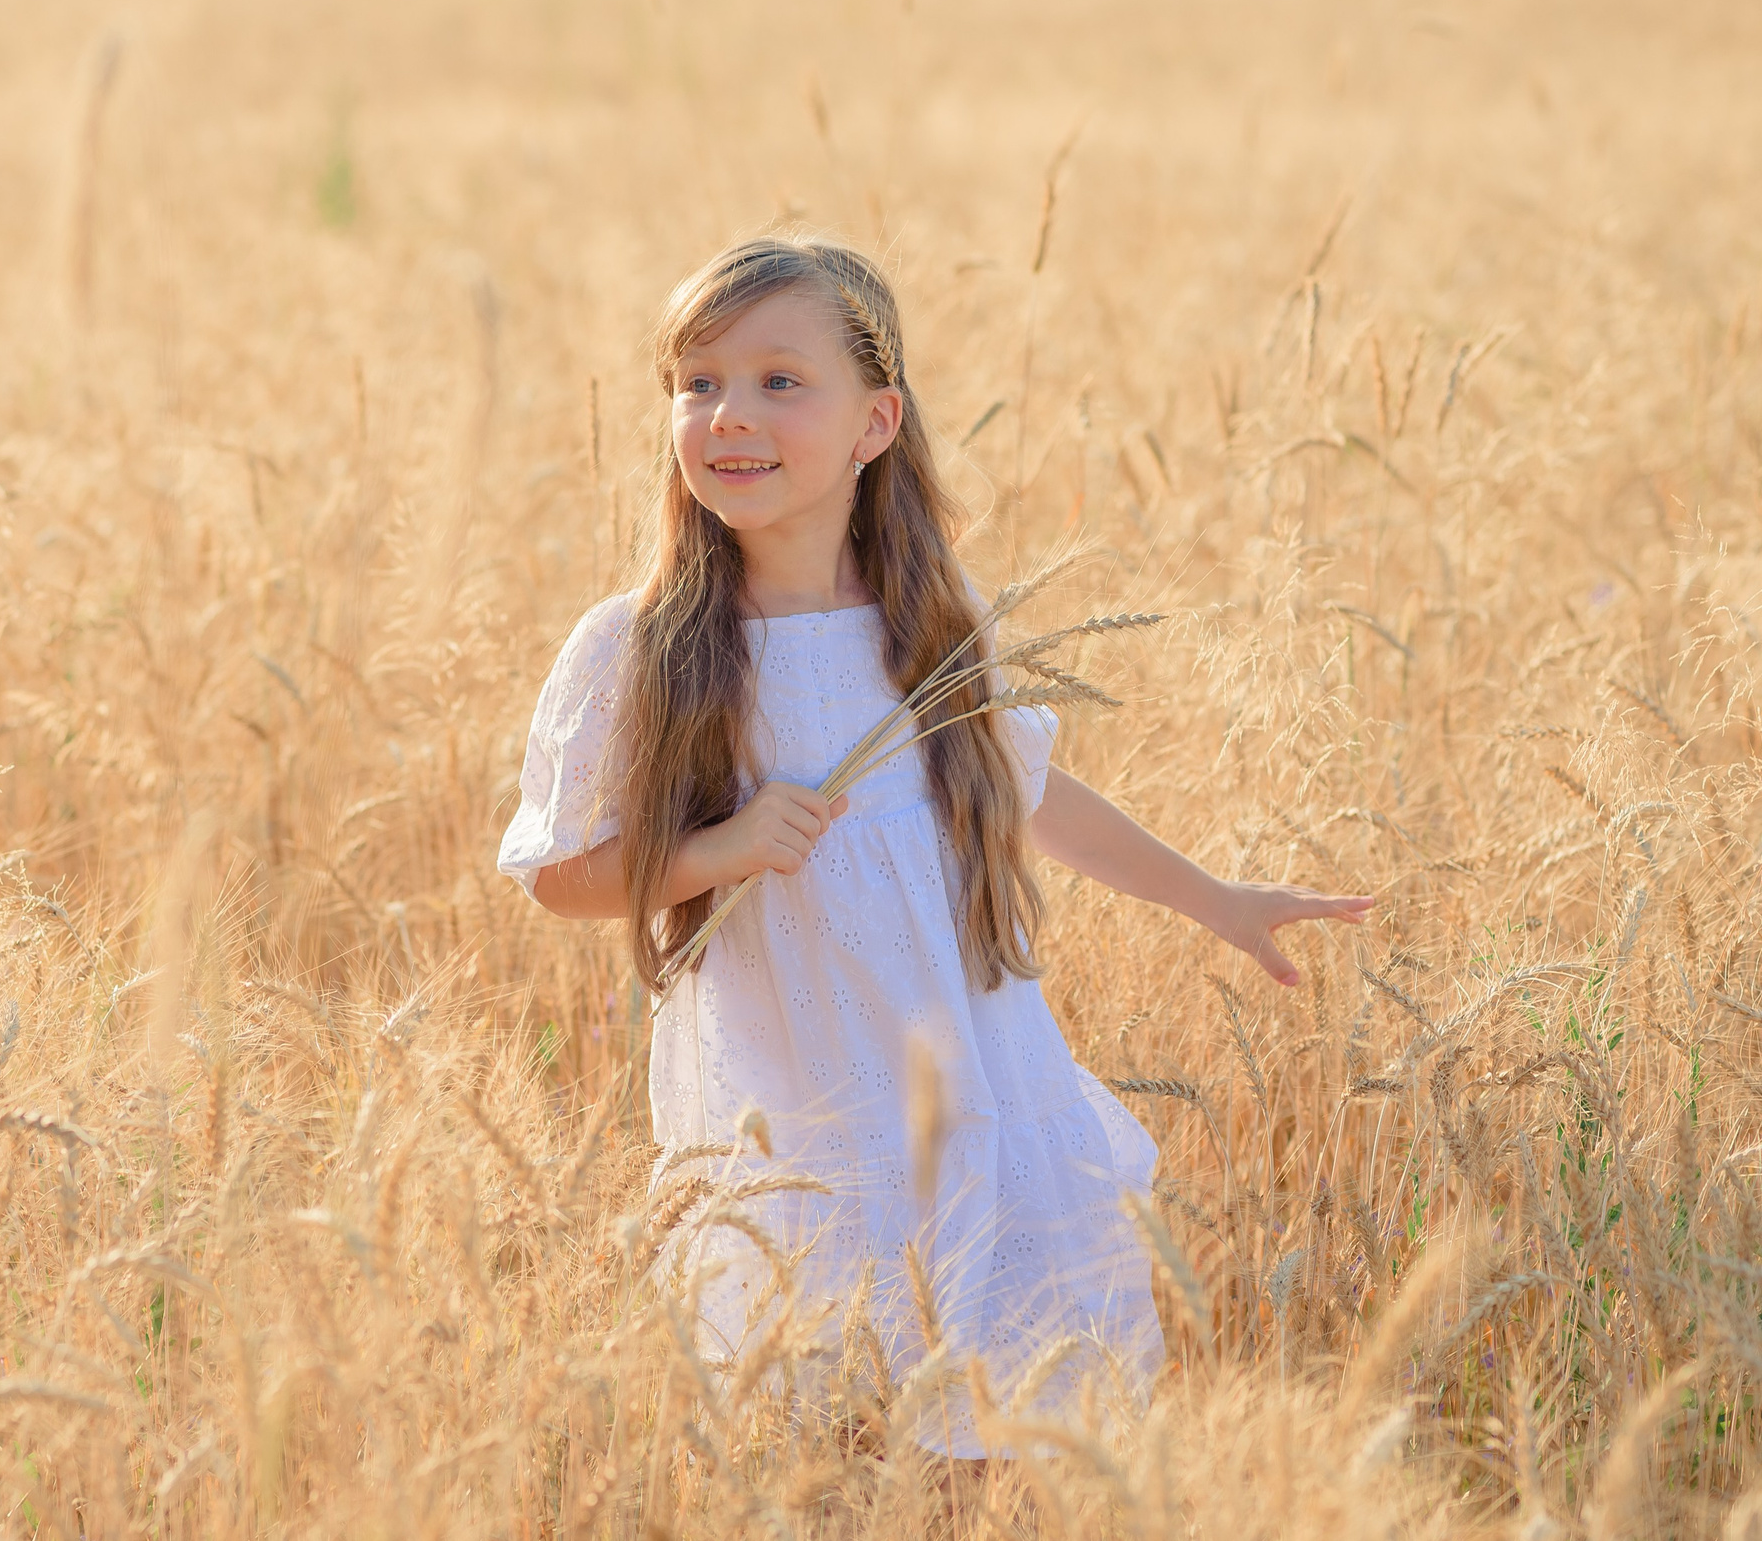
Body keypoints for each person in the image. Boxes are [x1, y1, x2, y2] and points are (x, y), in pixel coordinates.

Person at [497, 236, 1371, 1451]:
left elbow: (1022, 790)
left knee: (983, 1399)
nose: (727, 414)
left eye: (777, 381)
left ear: (874, 419)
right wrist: (723, 846)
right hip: (798, 1088)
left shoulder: (921, 618)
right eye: (696, 384)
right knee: (833, 1407)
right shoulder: (644, 643)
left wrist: (1209, 894)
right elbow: (559, 874)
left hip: (970, 1065)